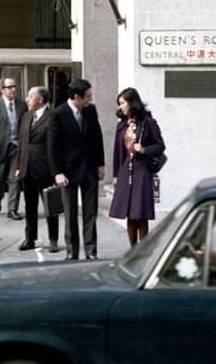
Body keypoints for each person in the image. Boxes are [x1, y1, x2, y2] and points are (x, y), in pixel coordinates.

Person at [48, 79, 105, 260]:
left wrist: (100, 165)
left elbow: (97, 137)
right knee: (70, 213)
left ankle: (91, 250)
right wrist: (57, 172)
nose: (90, 99)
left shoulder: (91, 110)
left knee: (91, 212)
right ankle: (72, 251)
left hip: (89, 168)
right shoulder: (58, 114)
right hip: (68, 171)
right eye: (87, 97)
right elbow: (53, 146)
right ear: (76, 97)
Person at [109, 88, 166, 247]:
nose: (121, 107)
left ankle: (144, 249)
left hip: (142, 170)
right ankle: (132, 249)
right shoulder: (121, 125)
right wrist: (115, 175)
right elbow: (117, 152)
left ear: (132, 103)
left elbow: (160, 145)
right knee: (129, 214)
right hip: (126, 170)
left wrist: (144, 149)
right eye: (119, 104)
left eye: (123, 103)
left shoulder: (148, 123)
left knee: (141, 213)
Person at [15, 86, 58, 253]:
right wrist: (19, 166)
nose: (26, 99)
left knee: (50, 205)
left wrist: (56, 170)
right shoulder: (26, 117)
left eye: (30, 96)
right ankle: (30, 238)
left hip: (45, 169)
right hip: (27, 168)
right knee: (30, 206)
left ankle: (53, 239)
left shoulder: (52, 117)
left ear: (40, 100)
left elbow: (55, 146)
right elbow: (22, 144)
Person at [0, 77, 27, 219]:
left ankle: (12, 209)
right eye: (9, 87)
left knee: (15, 179)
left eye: (15, 86)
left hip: (17, 147)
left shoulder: (22, 105)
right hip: (0, 147)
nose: (13, 89)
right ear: (2, 89)